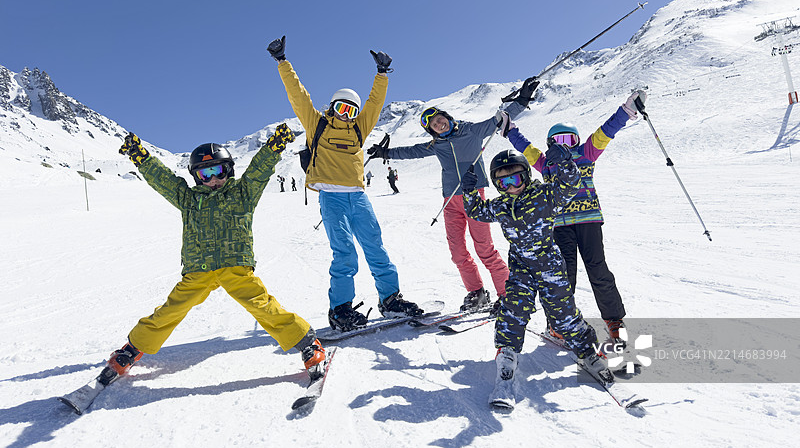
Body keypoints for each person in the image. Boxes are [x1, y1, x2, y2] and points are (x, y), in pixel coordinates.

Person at [92, 126, 326, 392]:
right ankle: (132, 349)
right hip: (197, 271)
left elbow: (259, 171)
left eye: (218, 171)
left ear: (228, 171)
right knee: (170, 311)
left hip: (234, 267)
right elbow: (163, 179)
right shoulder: (188, 199)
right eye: (205, 173)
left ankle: (308, 343)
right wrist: (141, 157)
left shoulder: (243, 194)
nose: (213, 179)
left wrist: (273, 148)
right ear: (196, 177)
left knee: (262, 306)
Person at [267, 35, 423, 331]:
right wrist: (282, 62)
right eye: (342, 109)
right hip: (332, 197)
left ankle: (390, 299)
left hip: (358, 197)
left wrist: (381, 75)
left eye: (352, 111)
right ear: (333, 107)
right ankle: (340, 309)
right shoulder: (318, 125)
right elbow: (298, 96)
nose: (347, 115)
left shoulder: (358, 130)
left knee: (375, 247)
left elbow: (374, 104)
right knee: (345, 253)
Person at [367, 82, 534, 313]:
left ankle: (507, 295)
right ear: (432, 131)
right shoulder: (437, 145)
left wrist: (522, 100)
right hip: (450, 202)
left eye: (439, 119)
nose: (439, 124)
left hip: (475, 198)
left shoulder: (472, 131)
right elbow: (411, 152)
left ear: (447, 117)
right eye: (433, 125)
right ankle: (476, 293)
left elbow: (499, 120)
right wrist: (385, 153)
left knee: (485, 249)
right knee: (458, 253)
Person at [460, 146, 613, 394]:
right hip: (521, 268)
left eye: (516, 178)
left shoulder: (545, 195)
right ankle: (507, 354)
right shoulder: (500, 206)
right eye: (503, 181)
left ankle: (589, 353)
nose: (511, 185)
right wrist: (469, 191)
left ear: (526, 176)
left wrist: (565, 162)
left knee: (563, 314)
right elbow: (476, 210)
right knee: (513, 311)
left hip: (549, 265)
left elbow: (570, 185)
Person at [504, 90, 646, 343]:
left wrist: (626, 110)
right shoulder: (545, 163)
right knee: (563, 274)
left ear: (577, 141)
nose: (563, 145)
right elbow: (525, 148)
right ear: (550, 144)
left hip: (589, 222)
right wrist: (509, 129)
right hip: (559, 226)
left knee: (598, 269)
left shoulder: (587, 153)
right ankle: (559, 322)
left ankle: (614, 320)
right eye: (557, 140)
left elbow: (606, 132)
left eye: (568, 139)